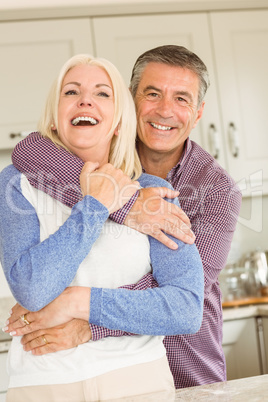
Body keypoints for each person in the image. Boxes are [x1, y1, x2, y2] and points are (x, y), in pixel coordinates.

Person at [7, 45, 242, 389]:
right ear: (129, 100)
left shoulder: (217, 190)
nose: (165, 110)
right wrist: (130, 207)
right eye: (152, 93)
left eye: (182, 99)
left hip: (187, 369)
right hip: (105, 371)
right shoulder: (100, 149)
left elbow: (180, 294)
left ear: (199, 111)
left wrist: (83, 315)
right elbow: (28, 149)